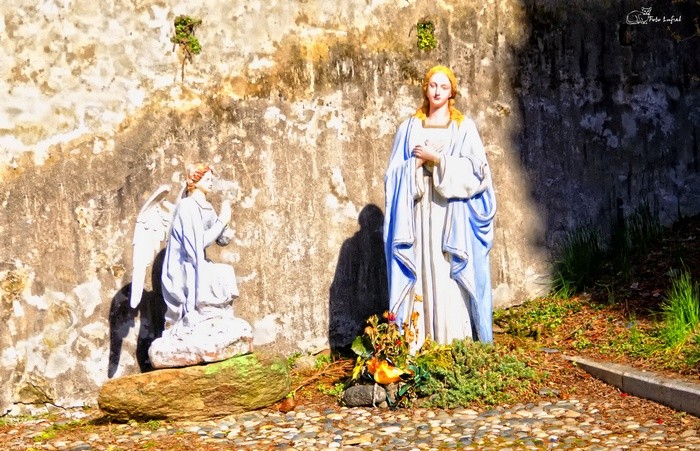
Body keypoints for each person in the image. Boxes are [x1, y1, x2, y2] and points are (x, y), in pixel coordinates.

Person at [383, 65, 497, 347]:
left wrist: (437, 159)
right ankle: (417, 342)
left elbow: (479, 173)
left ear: (451, 92)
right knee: (421, 271)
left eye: (444, 87)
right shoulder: (408, 128)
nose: (437, 92)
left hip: (450, 216)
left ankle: (453, 342)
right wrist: (415, 164)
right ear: (425, 89)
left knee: (447, 274)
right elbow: (392, 176)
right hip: (418, 214)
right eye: (433, 86)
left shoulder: (464, 128)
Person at [161, 163, 239, 331]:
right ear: (195, 181)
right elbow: (199, 243)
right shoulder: (187, 206)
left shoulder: (207, 207)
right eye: (207, 179)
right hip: (185, 266)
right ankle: (205, 313)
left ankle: (215, 314)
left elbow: (220, 240)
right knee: (219, 273)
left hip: (198, 262)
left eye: (211, 179)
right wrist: (221, 221)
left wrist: (225, 229)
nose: (211, 182)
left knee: (226, 271)